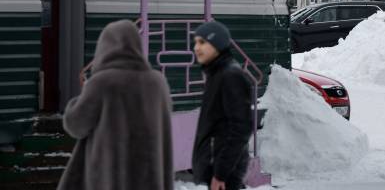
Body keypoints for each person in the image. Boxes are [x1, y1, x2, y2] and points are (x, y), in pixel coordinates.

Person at [58, 19, 173, 190]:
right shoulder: (158, 83)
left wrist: (77, 100)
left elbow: (75, 125)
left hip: (108, 180)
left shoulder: (102, 83)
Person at [191, 20, 254, 190]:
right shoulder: (217, 74)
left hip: (224, 174)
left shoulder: (230, 76)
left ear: (217, 43)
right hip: (217, 168)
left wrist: (221, 173)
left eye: (202, 42)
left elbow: (240, 128)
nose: (196, 48)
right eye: (195, 42)